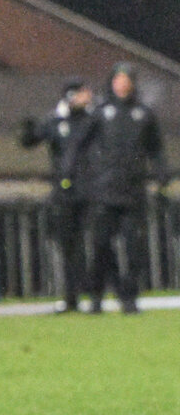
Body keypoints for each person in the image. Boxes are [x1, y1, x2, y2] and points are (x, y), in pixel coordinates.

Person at [80, 63, 168, 314]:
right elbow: (81, 145)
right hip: (104, 191)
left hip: (133, 191)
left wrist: (161, 174)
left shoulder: (143, 114)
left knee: (133, 248)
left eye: (126, 79)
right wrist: (85, 176)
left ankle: (129, 297)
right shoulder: (100, 112)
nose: (122, 84)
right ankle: (96, 296)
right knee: (100, 245)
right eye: (118, 79)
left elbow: (156, 148)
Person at [19, 78, 94, 312]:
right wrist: (28, 128)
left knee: (96, 244)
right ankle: (73, 296)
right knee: (69, 245)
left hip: (92, 191)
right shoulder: (56, 120)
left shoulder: (93, 120)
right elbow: (30, 141)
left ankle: (97, 294)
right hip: (66, 192)